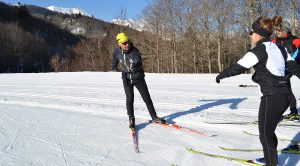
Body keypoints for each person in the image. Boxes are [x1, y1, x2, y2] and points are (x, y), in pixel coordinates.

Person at [215, 17, 300, 166]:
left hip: (271, 97)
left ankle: (271, 163)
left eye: (251, 32)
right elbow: (294, 68)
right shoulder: (280, 48)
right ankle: (270, 159)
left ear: (259, 34)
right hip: (284, 96)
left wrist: (221, 75)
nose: (250, 35)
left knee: (265, 135)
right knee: (269, 131)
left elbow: (238, 67)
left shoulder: (259, 50)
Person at [112, 32, 166, 129]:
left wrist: (134, 65)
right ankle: (131, 118)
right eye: (124, 43)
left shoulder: (134, 51)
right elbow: (115, 58)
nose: (127, 44)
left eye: (128, 42)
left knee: (146, 98)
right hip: (126, 78)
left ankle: (154, 117)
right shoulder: (117, 52)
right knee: (130, 99)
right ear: (119, 44)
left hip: (138, 77)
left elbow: (137, 60)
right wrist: (114, 66)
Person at [271, 16, 300, 120]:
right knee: (286, 90)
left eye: (280, 31)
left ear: (286, 31)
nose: (277, 32)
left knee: (281, 88)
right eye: (277, 31)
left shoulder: (295, 40)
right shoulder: (275, 41)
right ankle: (293, 112)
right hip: (282, 68)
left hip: (293, 67)